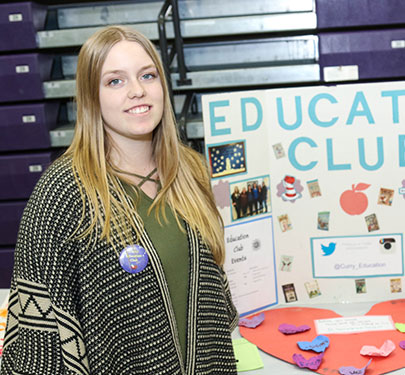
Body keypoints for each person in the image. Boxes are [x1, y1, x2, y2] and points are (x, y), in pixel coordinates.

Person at [0, 26, 238, 375]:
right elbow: (39, 329)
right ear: (90, 96)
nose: (138, 90)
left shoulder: (190, 171)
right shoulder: (63, 190)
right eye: (115, 81)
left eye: (147, 75)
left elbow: (211, 294)